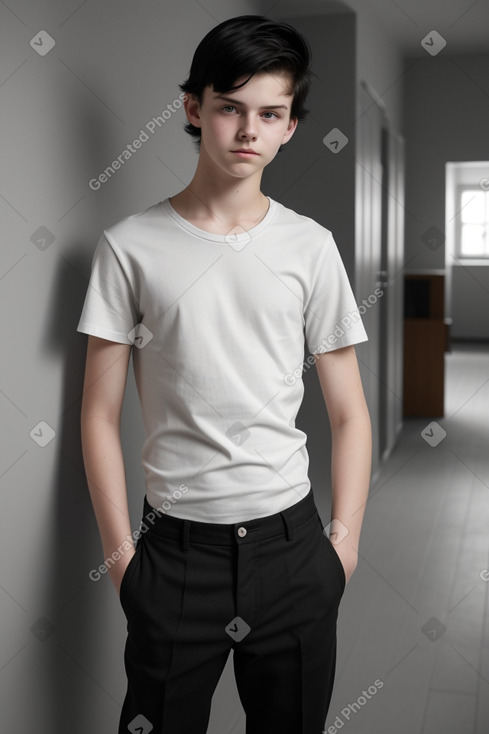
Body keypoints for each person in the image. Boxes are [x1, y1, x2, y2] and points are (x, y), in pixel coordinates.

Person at [77, 14, 372, 734]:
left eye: (269, 114)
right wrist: (124, 565)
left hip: (294, 551)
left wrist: (341, 549)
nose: (248, 131)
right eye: (230, 108)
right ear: (193, 109)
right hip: (175, 557)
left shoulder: (310, 247)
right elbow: (96, 414)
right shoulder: (129, 248)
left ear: (290, 127)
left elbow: (348, 412)